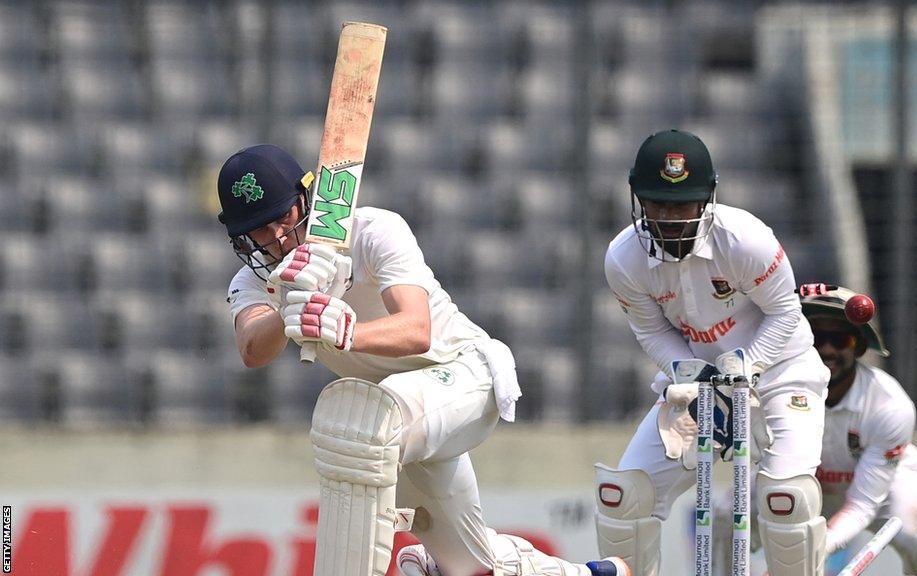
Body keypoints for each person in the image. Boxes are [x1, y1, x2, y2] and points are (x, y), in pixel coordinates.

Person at [217, 144, 626, 576]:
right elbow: (251, 349)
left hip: (464, 375)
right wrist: (289, 301)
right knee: (470, 569)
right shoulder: (255, 282)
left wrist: (349, 332)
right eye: (260, 231)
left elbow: (417, 329)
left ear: (308, 199)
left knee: (357, 424)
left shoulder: (373, 231)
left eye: (284, 217)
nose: (278, 237)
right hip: (400, 426)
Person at [595, 130, 831, 576]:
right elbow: (650, 331)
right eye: (657, 204)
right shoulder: (623, 259)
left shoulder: (745, 241)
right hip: (698, 385)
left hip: (780, 374)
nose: (670, 218)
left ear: (708, 199)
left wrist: (748, 365)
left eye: (683, 205)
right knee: (622, 497)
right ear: (638, 201)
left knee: (787, 501)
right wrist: (691, 374)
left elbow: (785, 312)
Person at [799, 285, 917, 575]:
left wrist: (824, 544)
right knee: (724, 512)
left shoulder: (890, 405)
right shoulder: (778, 391)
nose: (827, 349)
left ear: (857, 346)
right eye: (817, 338)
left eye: (839, 339)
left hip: (884, 488)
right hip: (807, 487)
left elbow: (863, 504)